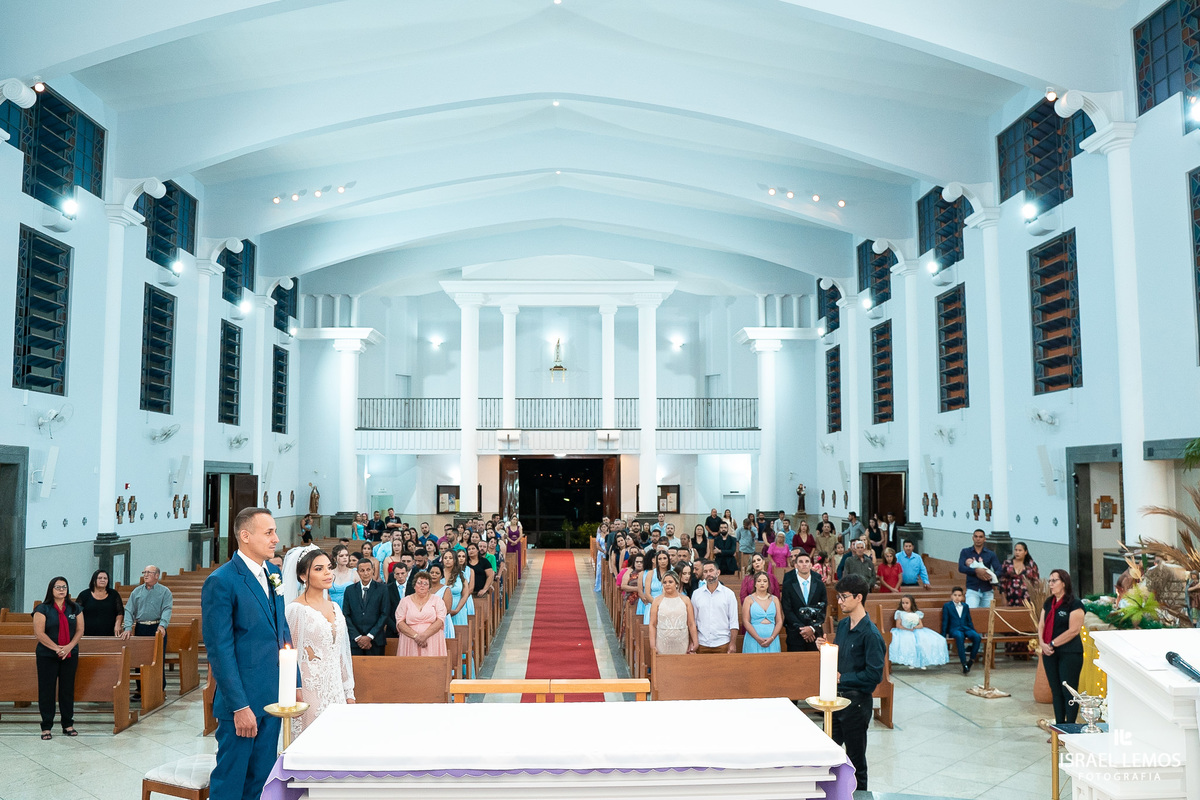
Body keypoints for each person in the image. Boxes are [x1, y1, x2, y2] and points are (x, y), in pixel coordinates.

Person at [202, 507, 292, 800]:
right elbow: (220, 650)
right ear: (245, 536)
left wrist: (295, 682)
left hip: (273, 697)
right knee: (232, 781)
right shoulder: (223, 580)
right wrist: (240, 707)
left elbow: (283, 631)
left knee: (262, 779)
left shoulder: (274, 573)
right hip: (242, 703)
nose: (276, 539)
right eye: (269, 533)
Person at [816, 574, 884, 792]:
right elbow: (842, 657)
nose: (840, 601)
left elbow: (874, 676)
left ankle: (860, 796)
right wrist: (825, 648)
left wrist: (842, 678)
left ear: (858, 597)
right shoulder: (844, 625)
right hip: (836, 701)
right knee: (828, 754)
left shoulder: (871, 635)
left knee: (855, 761)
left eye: (844, 597)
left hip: (856, 704)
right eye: (838, 597)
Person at [286, 549, 355, 736]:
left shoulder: (335, 608)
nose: (328, 573)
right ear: (303, 575)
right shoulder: (296, 610)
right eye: (319, 568)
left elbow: (342, 652)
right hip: (310, 689)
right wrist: (295, 690)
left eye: (329, 567)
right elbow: (289, 657)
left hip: (336, 689)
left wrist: (349, 693)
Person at [33, 576, 83, 739]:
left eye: (64, 587)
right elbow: (39, 633)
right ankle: (46, 726)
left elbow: (80, 630)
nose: (62, 590)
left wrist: (68, 647)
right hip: (47, 655)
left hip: (70, 654)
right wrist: (56, 648)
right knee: (47, 690)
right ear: (51, 590)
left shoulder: (75, 608)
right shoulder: (42, 609)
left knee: (67, 690)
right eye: (58, 587)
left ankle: (68, 724)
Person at [1038, 569, 1086, 725]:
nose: (1050, 584)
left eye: (1054, 581)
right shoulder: (1048, 602)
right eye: (1050, 581)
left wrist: (1052, 643)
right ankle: (1059, 727)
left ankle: (1070, 727)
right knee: (1056, 691)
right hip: (1049, 653)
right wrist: (1042, 643)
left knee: (1068, 691)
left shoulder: (1074, 604)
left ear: (1064, 583)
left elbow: (1073, 630)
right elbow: (1042, 625)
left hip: (1070, 653)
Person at [123, 564, 173, 690]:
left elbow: (167, 609)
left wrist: (162, 625)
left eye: (148, 572)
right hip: (141, 627)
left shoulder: (165, 592)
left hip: (156, 628)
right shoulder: (137, 591)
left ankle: (158, 688)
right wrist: (128, 627)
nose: (145, 575)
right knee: (139, 659)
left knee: (157, 659)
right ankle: (140, 690)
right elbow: (129, 610)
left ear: (157, 575)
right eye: (144, 572)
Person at [689, 560, 739, 653]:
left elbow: (733, 621)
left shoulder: (729, 594)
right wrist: (693, 642)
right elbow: (693, 621)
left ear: (718, 572)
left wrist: (732, 643)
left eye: (711, 570)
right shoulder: (696, 594)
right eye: (705, 571)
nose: (708, 574)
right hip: (702, 643)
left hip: (723, 643)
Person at [781, 552, 827, 652]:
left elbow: (822, 608)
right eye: (801, 562)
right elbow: (787, 609)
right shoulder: (788, 585)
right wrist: (803, 629)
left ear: (811, 565)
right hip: (795, 633)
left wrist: (811, 628)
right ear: (796, 565)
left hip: (815, 634)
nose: (804, 564)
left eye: (807, 561)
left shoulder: (819, 584)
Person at [999, 542, 1039, 656]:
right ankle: (1011, 650)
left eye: (1020, 550)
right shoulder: (1007, 564)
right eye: (1016, 550)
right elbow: (1002, 582)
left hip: (1026, 598)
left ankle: (1025, 651)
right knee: (1012, 622)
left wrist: (1035, 599)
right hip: (1011, 597)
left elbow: (1036, 582)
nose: (1017, 552)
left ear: (1025, 552)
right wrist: (1003, 598)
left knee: (1024, 622)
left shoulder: (1031, 565)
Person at [395, 571, 447, 657]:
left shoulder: (437, 600)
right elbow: (400, 622)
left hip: (431, 640)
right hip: (410, 641)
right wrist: (416, 636)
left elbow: (440, 621)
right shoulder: (405, 601)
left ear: (429, 587)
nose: (422, 585)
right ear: (414, 585)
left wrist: (424, 636)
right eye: (419, 583)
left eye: (425, 583)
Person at [342, 558, 388, 656]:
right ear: (358, 572)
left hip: (376, 641)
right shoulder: (350, 590)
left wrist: (370, 636)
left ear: (373, 570)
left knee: (375, 671)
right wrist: (358, 637)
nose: (366, 573)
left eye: (368, 570)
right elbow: (346, 615)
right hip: (355, 641)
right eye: (362, 571)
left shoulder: (382, 589)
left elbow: (384, 614)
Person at [889, 595, 949, 669]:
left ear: (911, 603)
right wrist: (907, 629)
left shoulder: (917, 613)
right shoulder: (899, 613)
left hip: (916, 631)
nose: (905, 605)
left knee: (922, 643)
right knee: (909, 643)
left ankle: (922, 662)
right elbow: (898, 625)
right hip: (903, 631)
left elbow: (921, 625)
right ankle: (911, 661)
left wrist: (915, 627)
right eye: (903, 603)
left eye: (907, 603)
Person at [649, 571, 696, 655]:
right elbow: (652, 624)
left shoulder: (685, 600)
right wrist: (653, 645)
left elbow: (691, 623)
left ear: (677, 584)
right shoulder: (657, 601)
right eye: (664, 582)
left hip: (682, 642)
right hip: (662, 642)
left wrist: (695, 641)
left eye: (670, 582)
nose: (667, 584)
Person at [941, 586, 981, 674]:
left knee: (977, 637)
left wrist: (973, 630)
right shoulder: (947, 606)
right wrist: (943, 635)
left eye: (959, 595)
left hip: (966, 628)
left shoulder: (965, 606)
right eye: (955, 595)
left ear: (962, 597)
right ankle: (964, 663)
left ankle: (971, 660)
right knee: (959, 637)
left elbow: (969, 620)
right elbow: (945, 621)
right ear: (951, 596)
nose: (957, 597)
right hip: (954, 629)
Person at [958, 529, 1001, 608]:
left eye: (981, 537)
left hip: (987, 589)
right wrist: (976, 571)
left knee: (988, 615)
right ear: (973, 538)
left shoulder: (990, 554)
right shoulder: (965, 552)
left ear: (985, 539)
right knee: (972, 613)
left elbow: (999, 569)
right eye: (976, 536)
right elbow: (961, 568)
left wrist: (990, 576)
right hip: (972, 589)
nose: (978, 539)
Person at [741, 572, 783, 653]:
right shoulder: (748, 599)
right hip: (753, 639)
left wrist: (772, 638)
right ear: (755, 584)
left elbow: (779, 621)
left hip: (772, 638)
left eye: (765, 581)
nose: (762, 583)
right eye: (759, 581)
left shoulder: (775, 599)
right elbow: (746, 621)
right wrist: (757, 638)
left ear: (768, 584)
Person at [76, 569, 123, 637]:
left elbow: (120, 612)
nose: (103, 580)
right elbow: (76, 612)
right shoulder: (84, 595)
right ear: (94, 580)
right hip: (87, 633)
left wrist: (118, 625)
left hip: (109, 633)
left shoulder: (114, 594)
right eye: (100, 578)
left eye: (105, 578)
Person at [640, 550, 671, 624]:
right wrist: (657, 605)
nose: (662, 561)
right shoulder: (651, 573)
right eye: (660, 559)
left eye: (664, 558)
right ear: (656, 561)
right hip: (653, 604)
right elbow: (647, 594)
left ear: (668, 560)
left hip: (669, 605)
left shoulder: (672, 573)